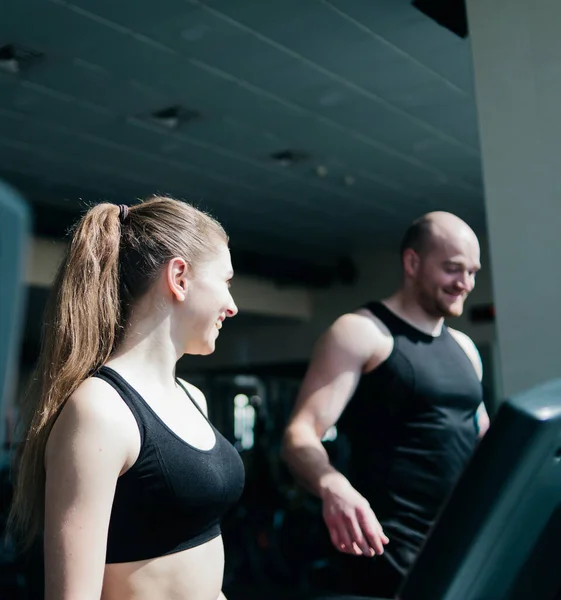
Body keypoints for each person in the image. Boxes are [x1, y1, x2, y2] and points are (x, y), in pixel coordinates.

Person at [8, 195, 244, 600]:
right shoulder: (100, 410)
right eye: (225, 282)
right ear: (180, 277)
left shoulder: (193, 398)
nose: (232, 306)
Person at [282, 211, 490, 598]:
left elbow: (482, 441)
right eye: (452, 269)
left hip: (460, 546)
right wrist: (332, 485)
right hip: (386, 551)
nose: (465, 283)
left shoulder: (466, 349)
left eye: (473, 272)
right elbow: (300, 433)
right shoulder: (362, 333)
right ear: (412, 262)